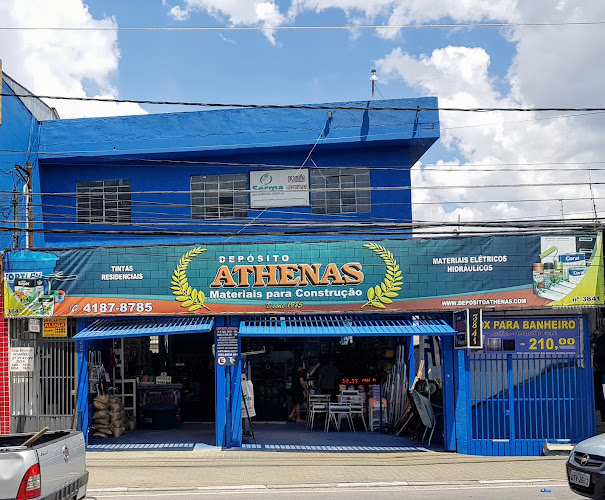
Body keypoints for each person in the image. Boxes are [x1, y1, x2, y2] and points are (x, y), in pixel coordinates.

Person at [594, 331, 605, 422]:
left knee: (600, 393)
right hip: (601, 370)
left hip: (601, 370)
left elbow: (600, 354)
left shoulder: (602, 339)